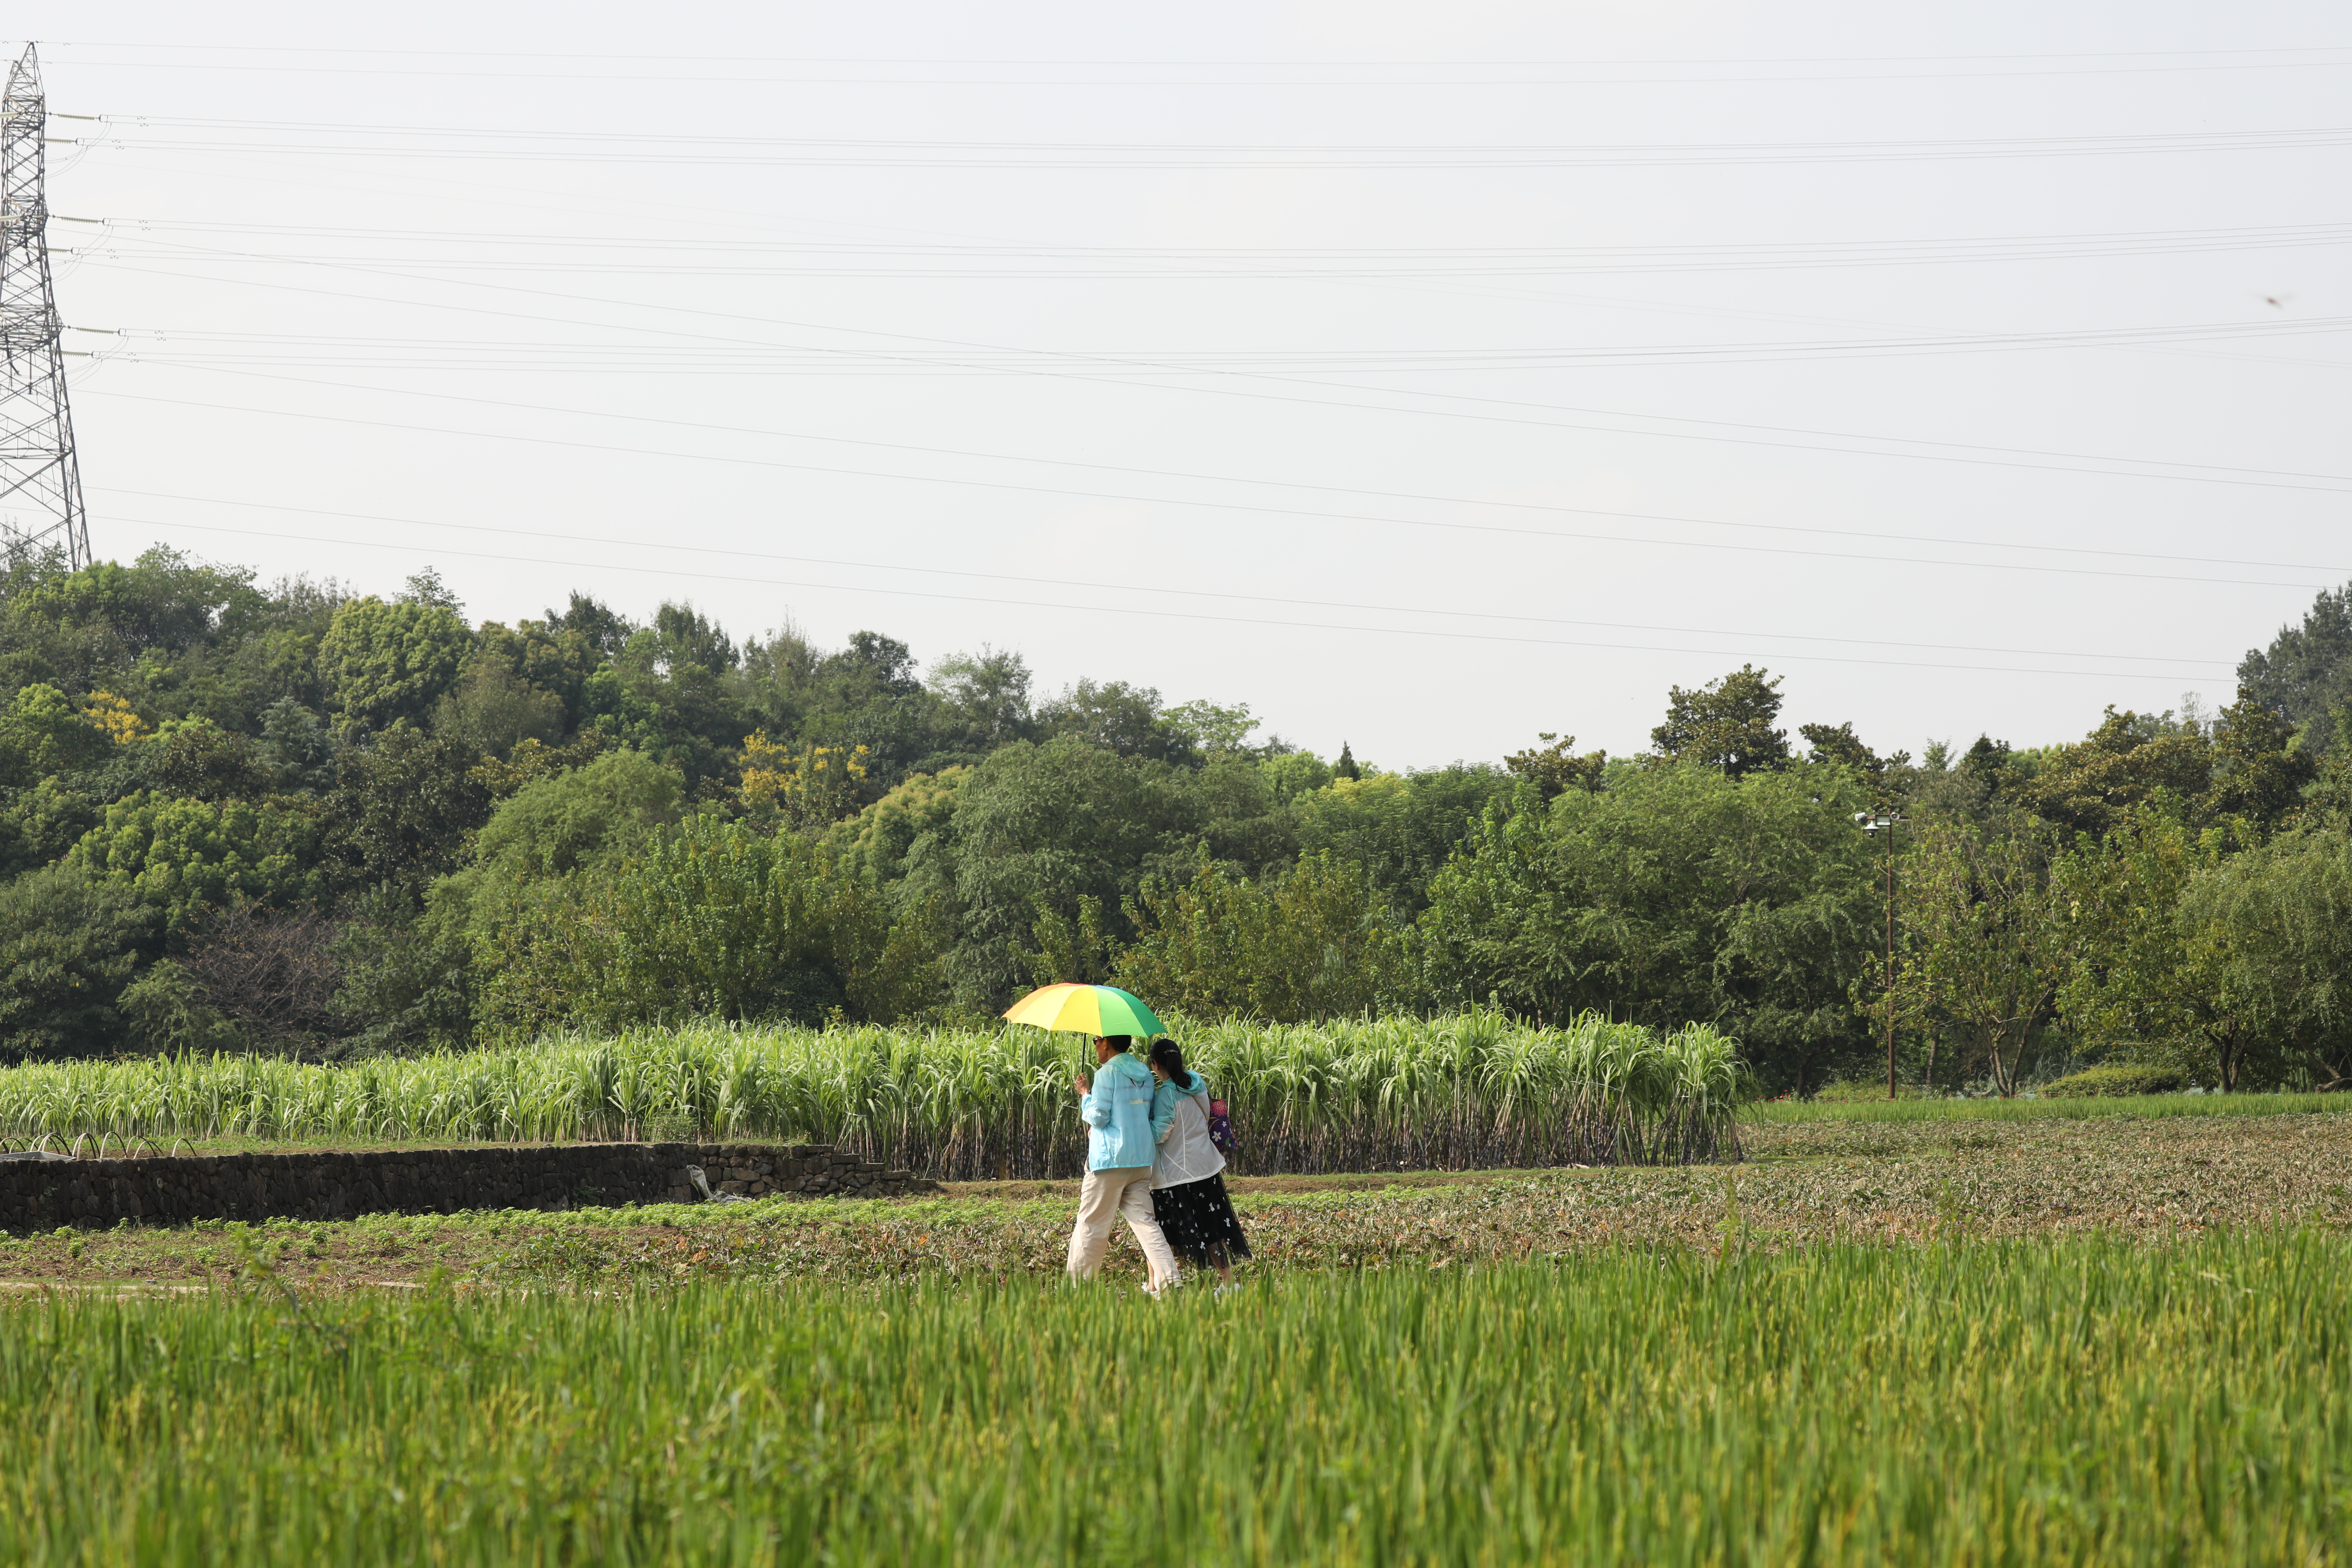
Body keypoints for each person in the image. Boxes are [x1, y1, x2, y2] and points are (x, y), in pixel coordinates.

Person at [1066, 1034, 1181, 1293]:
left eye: (1097, 1040)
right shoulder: (1144, 1072)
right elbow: (1144, 1115)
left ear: (1106, 1043)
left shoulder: (1107, 1073)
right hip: (1141, 1161)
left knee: (1092, 1224)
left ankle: (1078, 1289)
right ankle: (1170, 1281)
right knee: (1146, 1224)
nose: (1095, 1045)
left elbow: (1099, 1116)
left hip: (1110, 1162)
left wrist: (1085, 1095)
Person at [1146, 1038, 1251, 1292]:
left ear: (1155, 1065)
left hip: (1175, 1174)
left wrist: (1140, 1126)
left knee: (1160, 1233)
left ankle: (1154, 1285)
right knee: (1212, 1228)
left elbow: (1160, 1134)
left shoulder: (1166, 1094)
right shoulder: (1196, 1081)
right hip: (1205, 1168)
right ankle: (1228, 1282)